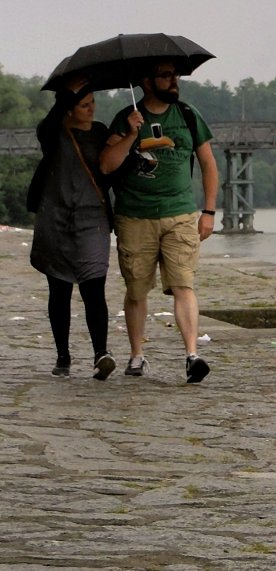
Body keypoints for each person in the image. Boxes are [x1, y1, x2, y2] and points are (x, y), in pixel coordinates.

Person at [99, 60, 219, 384]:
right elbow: (107, 166)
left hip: (180, 214)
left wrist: (208, 212)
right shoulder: (125, 118)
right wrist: (131, 133)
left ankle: (192, 355)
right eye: (166, 76)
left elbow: (208, 164)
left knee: (184, 284)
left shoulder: (189, 115)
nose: (174, 81)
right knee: (136, 289)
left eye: (175, 75)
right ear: (147, 82)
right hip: (134, 216)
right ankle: (137, 356)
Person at [28, 77, 137, 380]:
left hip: (93, 218)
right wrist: (67, 96)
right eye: (84, 104)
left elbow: (111, 168)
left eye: (93, 103)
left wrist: (132, 140)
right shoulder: (53, 133)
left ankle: (101, 352)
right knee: (59, 289)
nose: (91, 109)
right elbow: (46, 129)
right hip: (56, 218)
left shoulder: (101, 132)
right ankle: (63, 355)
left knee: (94, 286)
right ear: (69, 108)